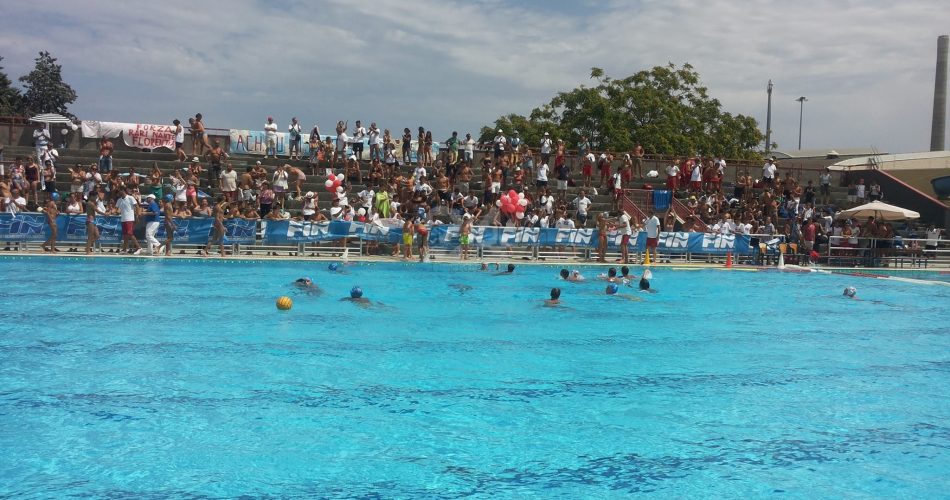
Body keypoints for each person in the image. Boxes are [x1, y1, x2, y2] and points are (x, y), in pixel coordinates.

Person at [116, 187, 142, 254]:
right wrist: (109, 212)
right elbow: (117, 209)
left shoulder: (130, 198)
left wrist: (138, 215)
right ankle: (124, 249)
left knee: (130, 234)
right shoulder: (119, 200)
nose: (119, 192)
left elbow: (137, 206)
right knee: (125, 235)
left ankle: (139, 247)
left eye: (120, 190)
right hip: (123, 219)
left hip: (129, 219)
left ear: (123, 191)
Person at [84, 191, 102, 255]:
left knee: (97, 236)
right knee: (90, 236)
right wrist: (105, 214)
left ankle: (87, 247)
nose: (96, 198)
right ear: (92, 196)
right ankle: (87, 251)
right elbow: (97, 211)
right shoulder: (90, 203)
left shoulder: (92, 203)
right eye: (95, 197)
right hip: (90, 221)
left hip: (93, 220)